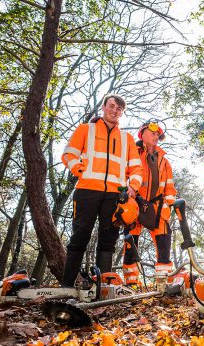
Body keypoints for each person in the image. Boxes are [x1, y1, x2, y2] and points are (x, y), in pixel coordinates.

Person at [60, 94, 143, 287]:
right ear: (104, 107)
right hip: (87, 191)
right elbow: (68, 154)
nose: (115, 111)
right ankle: (67, 285)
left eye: (119, 109)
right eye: (112, 106)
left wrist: (133, 187)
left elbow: (136, 167)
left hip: (115, 195)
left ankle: (103, 286)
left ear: (122, 113)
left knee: (108, 239)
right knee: (80, 235)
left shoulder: (127, 138)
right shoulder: (86, 129)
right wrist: (80, 170)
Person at [122, 120, 177, 287]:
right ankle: (131, 282)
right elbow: (123, 176)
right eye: (152, 132)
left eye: (157, 134)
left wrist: (170, 204)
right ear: (142, 134)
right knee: (131, 243)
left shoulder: (164, 161)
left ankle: (163, 281)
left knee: (164, 244)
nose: (156, 135)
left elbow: (169, 186)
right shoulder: (132, 154)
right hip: (135, 204)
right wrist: (126, 198)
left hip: (157, 207)